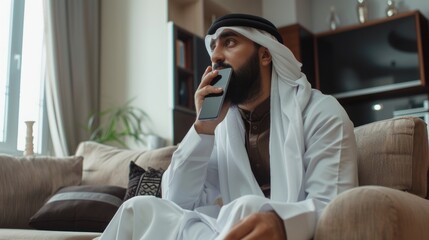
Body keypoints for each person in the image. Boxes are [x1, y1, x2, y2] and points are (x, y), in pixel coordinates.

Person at [100, 13, 358, 240]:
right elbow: (177, 200)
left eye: (229, 42)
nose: (216, 55)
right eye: (213, 47)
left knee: (245, 208)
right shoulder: (218, 128)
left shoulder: (320, 113)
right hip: (228, 230)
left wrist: (281, 223)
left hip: (287, 232)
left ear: (265, 53)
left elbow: (333, 205)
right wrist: (202, 130)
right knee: (140, 209)